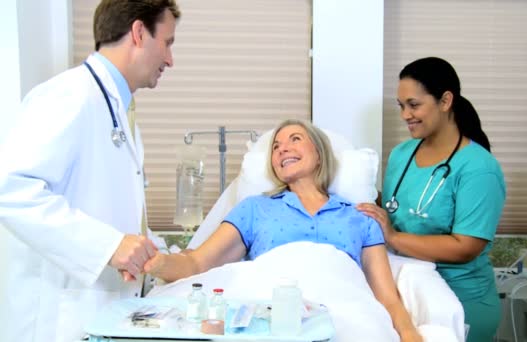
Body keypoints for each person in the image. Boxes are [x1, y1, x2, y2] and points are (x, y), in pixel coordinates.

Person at [144, 119, 422, 342]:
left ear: (319, 155)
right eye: (276, 147)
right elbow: (197, 262)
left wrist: (409, 333)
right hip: (271, 308)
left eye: (295, 140)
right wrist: (158, 263)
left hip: (342, 309)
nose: (282, 149)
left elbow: (386, 296)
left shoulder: (360, 216)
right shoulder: (255, 209)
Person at [0, 1, 181, 341]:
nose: (170, 59)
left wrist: (151, 252)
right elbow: (10, 190)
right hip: (57, 320)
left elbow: (109, 206)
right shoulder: (68, 95)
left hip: (101, 314)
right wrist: (109, 246)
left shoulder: (115, 108)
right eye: (168, 43)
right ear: (139, 33)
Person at [357, 57, 506, 342]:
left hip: (460, 302)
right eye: (401, 106)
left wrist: (393, 236)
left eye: (414, 105)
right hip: (405, 290)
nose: (405, 115)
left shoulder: (478, 168)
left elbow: (466, 247)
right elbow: (396, 207)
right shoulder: (402, 154)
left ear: (446, 101)